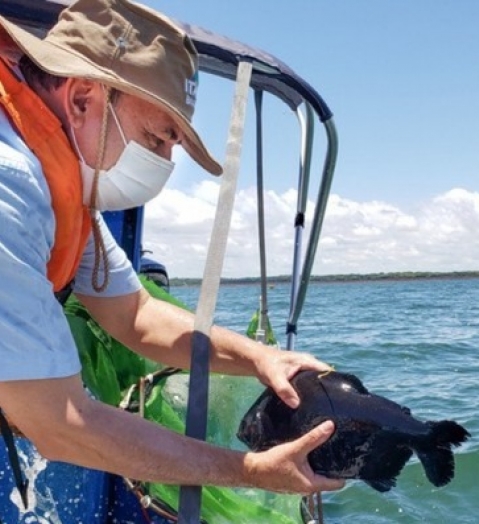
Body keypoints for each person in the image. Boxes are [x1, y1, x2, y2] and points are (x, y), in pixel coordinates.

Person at [0, 0, 344, 513]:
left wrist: (261, 358)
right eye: (158, 137)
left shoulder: (64, 186)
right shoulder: (9, 186)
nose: (164, 164)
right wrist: (248, 471)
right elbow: (59, 422)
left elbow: (135, 315)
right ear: (82, 99)